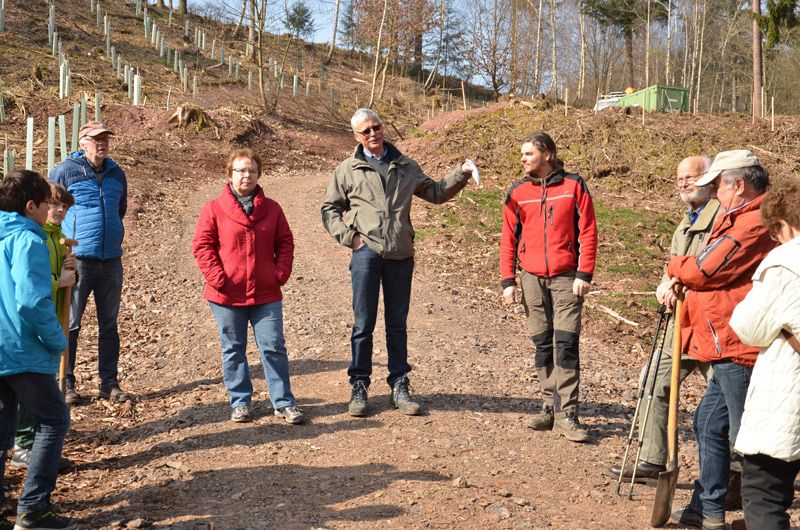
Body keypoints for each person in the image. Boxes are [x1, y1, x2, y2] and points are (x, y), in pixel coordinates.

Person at [321, 108, 474, 417]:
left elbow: (435, 192)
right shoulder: (348, 169)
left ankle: (400, 385)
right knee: (363, 324)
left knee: (397, 324)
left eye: (376, 127)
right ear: (357, 136)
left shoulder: (405, 165)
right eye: (366, 131)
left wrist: (462, 173)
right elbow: (329, 208)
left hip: (401, 254)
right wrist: (350, 238)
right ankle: (359, 385)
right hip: (366, 254)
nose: (373, 133)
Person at [668, 150, 776, 530]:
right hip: (725, 343)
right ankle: (708, 510)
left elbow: (705, 268)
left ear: (739, 185)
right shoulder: (735, 217)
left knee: (748, 437)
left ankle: (762, 515)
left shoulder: (752, 222)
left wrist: (675, 267)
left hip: (739, 343)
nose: (714, 193)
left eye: (718, 185)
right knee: (709, 423)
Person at [610, 156, 718, 480]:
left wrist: (679, 281)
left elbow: (710, 269)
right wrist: (664, 285)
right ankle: (652, 459)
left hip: (712, 326)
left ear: (710, 179)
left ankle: (736, 475)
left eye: (691, 177)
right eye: (679, 178)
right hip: (679, 323)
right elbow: (672, 265)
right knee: (653, 381)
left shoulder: (722, 219)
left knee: (725, 400)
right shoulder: (685, 222)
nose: (683, 183)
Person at [499, 132, 598, 443]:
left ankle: (568, 413)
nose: (523, 159)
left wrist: (584, 273)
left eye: (528, 153)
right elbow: (508, 238)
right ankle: (548, 405)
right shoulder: (517, 192)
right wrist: (508, 280)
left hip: (568, 277)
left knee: (565, 343)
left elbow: (588, 231)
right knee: (543, 344)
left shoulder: (574, 186)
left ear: (548, 155)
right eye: (522, 154)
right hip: (530, 277)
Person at [193, 148, 303, 424]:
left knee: (273, 345)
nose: (247, 176)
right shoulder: (213, 209)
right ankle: (240, 402)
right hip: (226, 294)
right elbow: (202, 246)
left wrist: (279, 273)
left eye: (252, 171)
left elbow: (285, 243)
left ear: (259, 174)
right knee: (233, 348)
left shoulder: (273, 209)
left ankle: (283, 402)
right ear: (230, 174)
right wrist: (218, 278)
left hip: (266, 292)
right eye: (241, 170)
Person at [0, 170, 76, 530]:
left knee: (3, 428)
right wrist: (57, 340)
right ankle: (33, 509)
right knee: (54, 419)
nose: (50, 210)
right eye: (46, 203)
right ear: (31, 206)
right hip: (22, 348)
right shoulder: (28, 241)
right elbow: (31, 301)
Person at [729, 176, 800, 530]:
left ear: (784, 224)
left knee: (763, 495)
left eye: (775, 231)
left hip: (789, 394)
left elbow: (748, 326)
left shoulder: (786, 261)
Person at [49, 121, 129, 405]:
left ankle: (109, 383)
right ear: (83, 143)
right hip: (78, 259)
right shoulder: (65, 171)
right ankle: (66, 382)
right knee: (71, 323)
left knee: (109, 324)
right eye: (96, 139)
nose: (102, 144)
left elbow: (120, 210)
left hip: (111, 260)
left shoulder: (117, 173)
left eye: (105, 139)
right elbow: (52, 207)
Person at [10, 184, 77, 470]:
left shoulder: (57, 238)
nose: (59, 210)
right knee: (33, 387)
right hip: (32, 325)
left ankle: (36, 443)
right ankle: (24, 445)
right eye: (53, 204)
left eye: (64, 207)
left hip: (50, 318)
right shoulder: (34, 238)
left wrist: (69, 269)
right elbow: (29, 285)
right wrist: (60, 281)